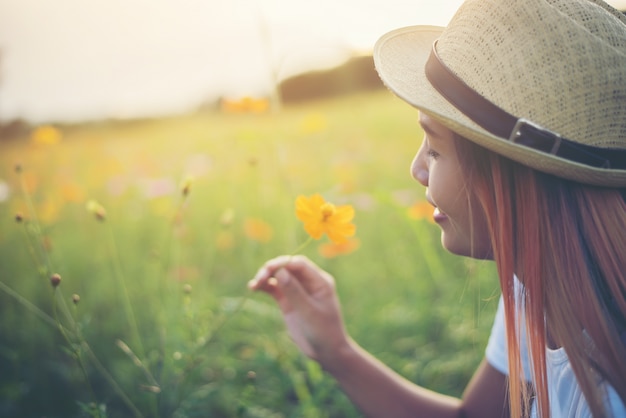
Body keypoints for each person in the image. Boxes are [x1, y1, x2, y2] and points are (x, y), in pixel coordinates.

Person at [248, 0, 626, 416]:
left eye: (435, 149)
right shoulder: (533, 287)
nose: (417, 170)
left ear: (513, 179)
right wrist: (337, 352)